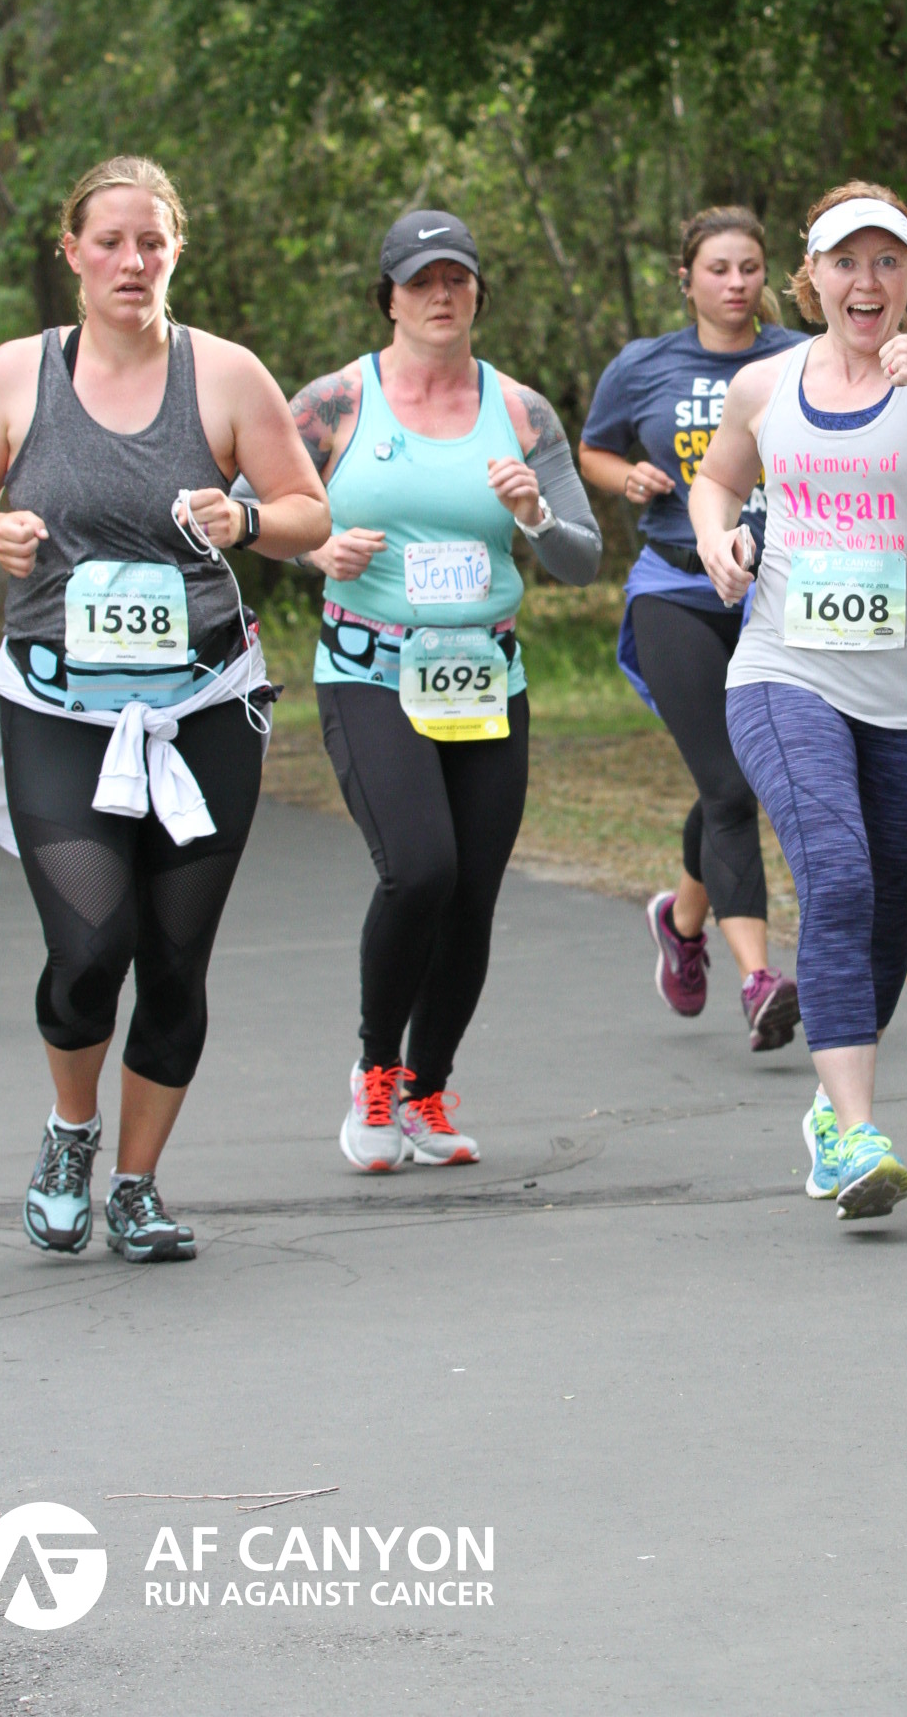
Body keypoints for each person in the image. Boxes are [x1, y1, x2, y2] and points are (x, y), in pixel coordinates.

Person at [0, 156, 331, 1262]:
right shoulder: (18, 375)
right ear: (71, 252)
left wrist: (249, 522)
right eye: (109, 241)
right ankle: (72, 1133)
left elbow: (308, 510)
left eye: (151, 241)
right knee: (89, 945)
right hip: (59, 706)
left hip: (203, 704)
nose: (131, 261)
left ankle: (138, 1186)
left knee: (175, 959)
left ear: (175, 251)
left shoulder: (227, 375)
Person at [690, 181, 907, 1220]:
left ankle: (833, 1113)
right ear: (814, 277)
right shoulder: (767, 384)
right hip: (786, 670)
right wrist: (718, 539)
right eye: (845, 262)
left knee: (884, 920)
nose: (865, 282)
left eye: (886, 262)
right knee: (836, 872)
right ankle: (860, 1134)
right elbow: (717, 480)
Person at [286, 209, 602, 1174]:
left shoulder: (523, 413)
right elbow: (256, 510)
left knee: (470, 896)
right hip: (370, 670)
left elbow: (582, 559)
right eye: (420, 281)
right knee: (419, 870)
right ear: (387, 297)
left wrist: (534, 514)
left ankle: (427, 1091)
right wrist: (314, 550)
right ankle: (375, 1076)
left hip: (483, 677)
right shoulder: (334, 404)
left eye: (456, 279)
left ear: (477, 293)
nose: (440, 296)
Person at [579, 207, 805, 1050]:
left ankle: (681, 921)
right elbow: (594, 449)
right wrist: (627, 478)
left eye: (749, 267)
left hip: (775, 591)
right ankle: (757, 978)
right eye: (718, 269)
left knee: (734, 780)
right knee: (731, 784)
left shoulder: (799, 359)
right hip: (675, 589)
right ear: (687, 279)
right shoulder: (644, 365)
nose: (736, 283)